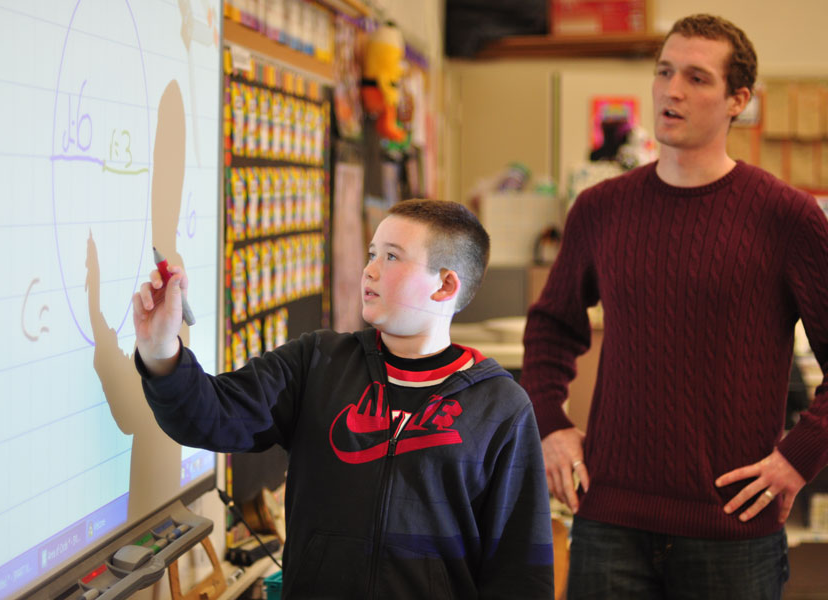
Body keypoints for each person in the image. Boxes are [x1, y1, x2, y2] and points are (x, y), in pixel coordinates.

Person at [521, 13, 828, 600]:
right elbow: (551, 328)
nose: (672, 90)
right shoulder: (601, 208)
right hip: (609, 518)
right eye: (664, 72)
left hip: (732, 528)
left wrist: (797, 458)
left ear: (739, 99)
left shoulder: (786, 217)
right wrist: (551, 425)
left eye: (696, 77)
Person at [133, 199, 555, 598]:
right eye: (372, 253)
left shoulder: (501, 407)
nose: (368, 270)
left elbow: (520, 573)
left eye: (391, 256)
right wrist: (160, 351)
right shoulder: (317, 362)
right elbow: (207, 415)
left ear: (445, 285)